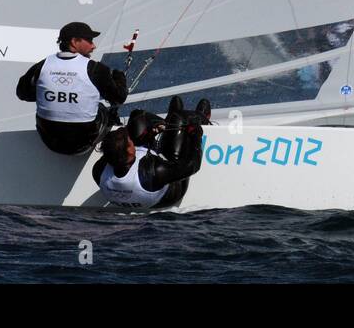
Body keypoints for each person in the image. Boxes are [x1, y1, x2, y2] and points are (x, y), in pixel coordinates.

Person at [16, 22, 127, 155]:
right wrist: (119, 77)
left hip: (49, 142)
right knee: (103, 108)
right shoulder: (96, 69)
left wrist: (53, 94)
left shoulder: (42, 65)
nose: (93, 46)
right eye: (90, 40)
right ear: (74, 42)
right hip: (81, 145)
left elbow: (22, 94)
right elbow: (119, 98)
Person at [93, 96, 210, 209]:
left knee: (136, 116)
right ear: (130, 150)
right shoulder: (154, 171)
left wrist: (149, 135)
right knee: (179, 117)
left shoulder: (99, 170)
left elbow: (115, 152)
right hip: (168, 195)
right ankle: (200, 118)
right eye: (129, 140)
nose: (131, 138)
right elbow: (192, 166)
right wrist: (196, 135)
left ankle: (169, 121)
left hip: (145, 186)